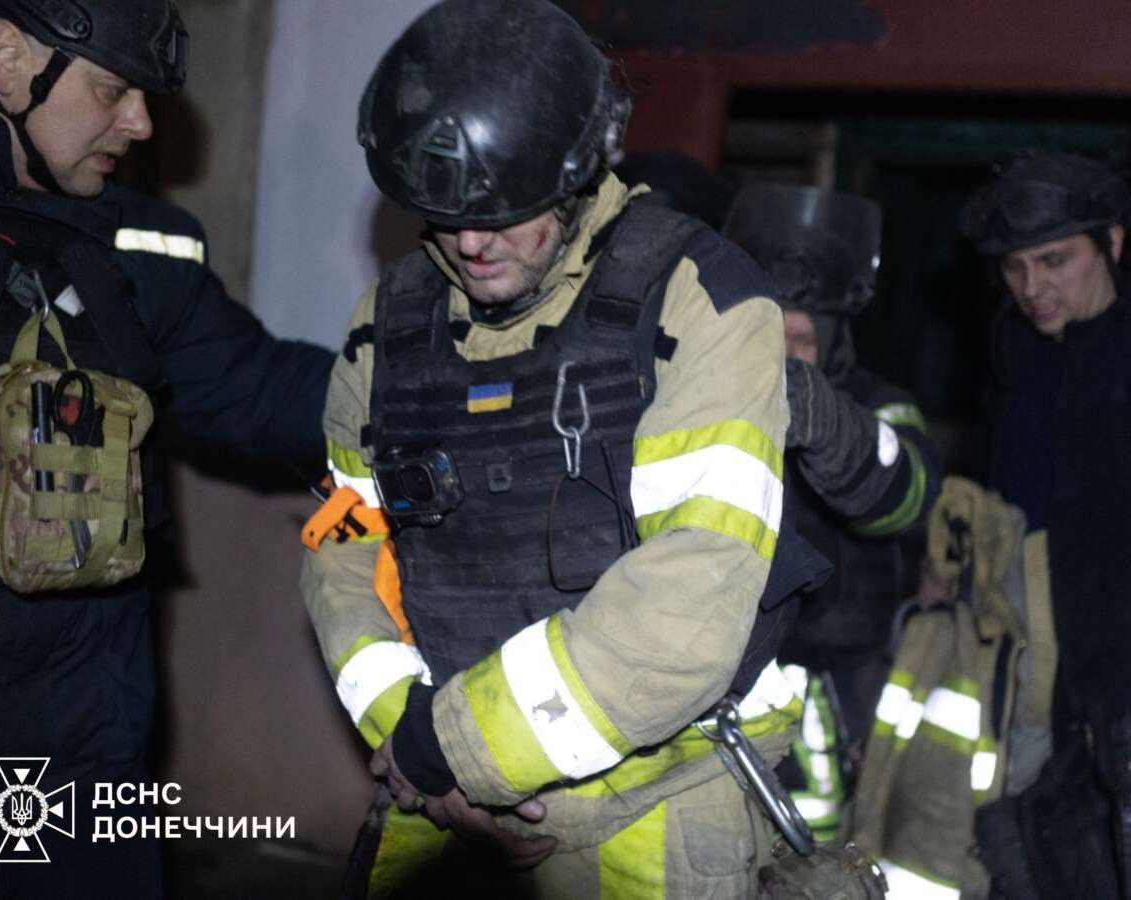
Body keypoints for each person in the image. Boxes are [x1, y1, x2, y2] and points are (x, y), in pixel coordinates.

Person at [298, 1, 842, 896]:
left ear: (580, 170)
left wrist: (456, 748)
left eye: (505, 210)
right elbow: (345, 552)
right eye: (444, 213)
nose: (470, 242)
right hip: (432, 800)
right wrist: (411, 736)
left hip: (651, 813)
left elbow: (690, 598)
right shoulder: (385, 325)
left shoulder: (700, 300)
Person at [0, 2, 334, 898]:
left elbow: (259, 387)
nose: (142, 123)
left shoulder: (129, 245)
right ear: (7, 59)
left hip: (87, 742)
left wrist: (433, 387)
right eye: (113, 89)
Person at [722, 184, 942, 841]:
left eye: (801, 339)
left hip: (845, 683)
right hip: (734, 681)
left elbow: (909, 500)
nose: (784, 357)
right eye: (769, 336)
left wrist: (829, 428)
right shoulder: (711, 404)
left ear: (835, 339)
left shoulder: (879, 405)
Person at [954, 151, 1131, 899]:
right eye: (1016, 267)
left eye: (1055, 261)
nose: (1033, 288)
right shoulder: (1019, 357)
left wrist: (1110, 699)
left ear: (1112, 243)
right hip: (1030, 679)